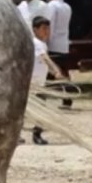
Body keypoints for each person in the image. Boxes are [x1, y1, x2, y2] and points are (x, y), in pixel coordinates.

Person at [28, 16, 64, 145]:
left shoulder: (41, 44)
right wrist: (56, 70)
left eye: (48, 28)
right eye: (43, 28)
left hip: (39, 83)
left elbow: (42, 63)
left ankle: (36, 134)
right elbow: (45, 59)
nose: (47, 31)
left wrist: (52, 72)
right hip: (32, 84)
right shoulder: (37, 43)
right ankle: (35, 135)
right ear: (35, 30)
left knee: (39, 110)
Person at [43, 0, 74, 107]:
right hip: (64, 44)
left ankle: (42, 99)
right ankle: (68, 99)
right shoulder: (67, 6)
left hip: (53, 44)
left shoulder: (52, 6)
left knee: (49, 73)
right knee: (64, 72)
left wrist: (44, 42)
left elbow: (49, 25)